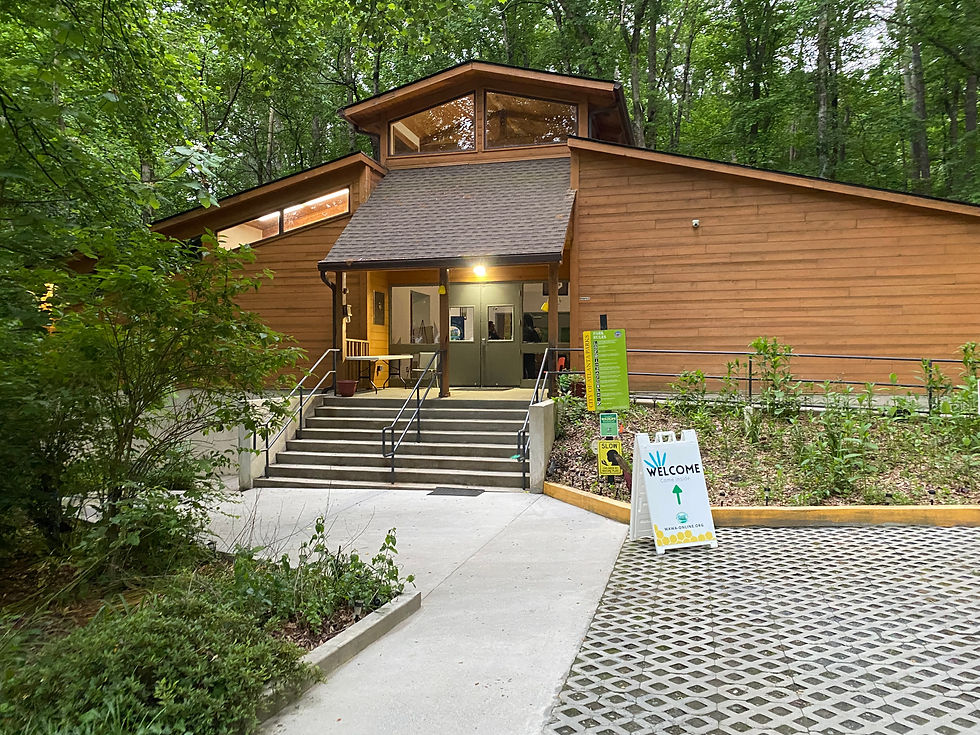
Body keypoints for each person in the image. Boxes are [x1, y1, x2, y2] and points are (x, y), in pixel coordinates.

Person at [522, 314, 542, 379]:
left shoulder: (520, 331)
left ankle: (525, 380)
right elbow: (537, 341)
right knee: (530, 368)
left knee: (522, 369)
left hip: (522, 354)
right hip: (530, 354)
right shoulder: (532, 331)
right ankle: (531, 381)